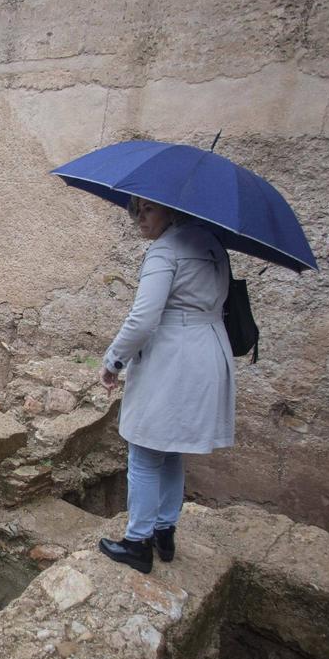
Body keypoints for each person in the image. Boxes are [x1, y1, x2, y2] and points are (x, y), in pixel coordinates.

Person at [97, 197, 236, 574]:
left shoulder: (165, 251)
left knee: (143, 449)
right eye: (135, 211)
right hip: (207, 351)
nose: (140, 219)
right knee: (172, 448)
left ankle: (137, 542)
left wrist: (113, 359)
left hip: (175, 356)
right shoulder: (212, 245)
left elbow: (143, 317)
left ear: (171, 210)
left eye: (148, 210)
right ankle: (164, 531)